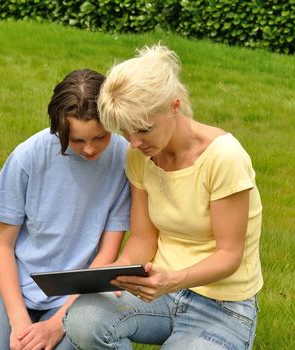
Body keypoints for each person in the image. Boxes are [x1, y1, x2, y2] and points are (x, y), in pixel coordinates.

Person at [63, 45, 263, 349]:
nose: (134, 141)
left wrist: (173, 279)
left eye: (143, 129)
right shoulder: (140, 155)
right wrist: (121, 270)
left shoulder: (224, 157)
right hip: (158, 293)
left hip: (222, 306)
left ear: (175, 106)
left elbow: (229, 255)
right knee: (83, 320)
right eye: (126, 131)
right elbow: (144, 237)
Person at [0, 69, 131, 350]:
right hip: (18, 286)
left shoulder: (123, 158)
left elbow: (107, 253)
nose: (91, 149)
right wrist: (19, 322)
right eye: (78, 140)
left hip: (81, 290)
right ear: (58, 128)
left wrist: (57, 325)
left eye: (100, 137)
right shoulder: (27, 157)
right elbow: (2, 246)